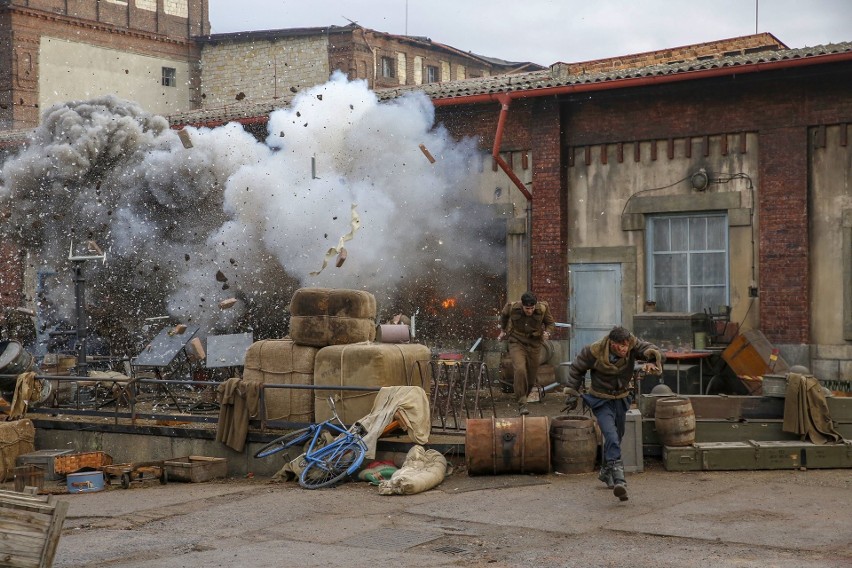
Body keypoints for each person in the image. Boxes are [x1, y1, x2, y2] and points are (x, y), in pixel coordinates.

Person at [564, 325, 662, 501]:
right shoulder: (593, 351)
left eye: (626, 345)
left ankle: (606, 471)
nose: (625, 349)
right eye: (620, 346)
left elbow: (649, 349)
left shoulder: (632, 344)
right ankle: (619, 480)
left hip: (621, 399)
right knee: (611, 435)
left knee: (617, 435)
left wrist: (651, 359)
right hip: (601, 400)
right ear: (612, 343)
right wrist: (572, 393)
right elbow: (577, 368)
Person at [498, 291, 555, 416]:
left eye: (532, 308)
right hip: (516, 342)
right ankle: (522, 403)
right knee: (520, 369)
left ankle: (524, 394)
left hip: (534, 344)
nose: (529, 311)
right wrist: (503, 330)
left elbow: (551, 323)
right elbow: (503, 316)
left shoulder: (543, 308)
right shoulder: (512, 307)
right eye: (527, 308)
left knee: (531, 378)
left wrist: (548, 332)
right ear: (522, 305)